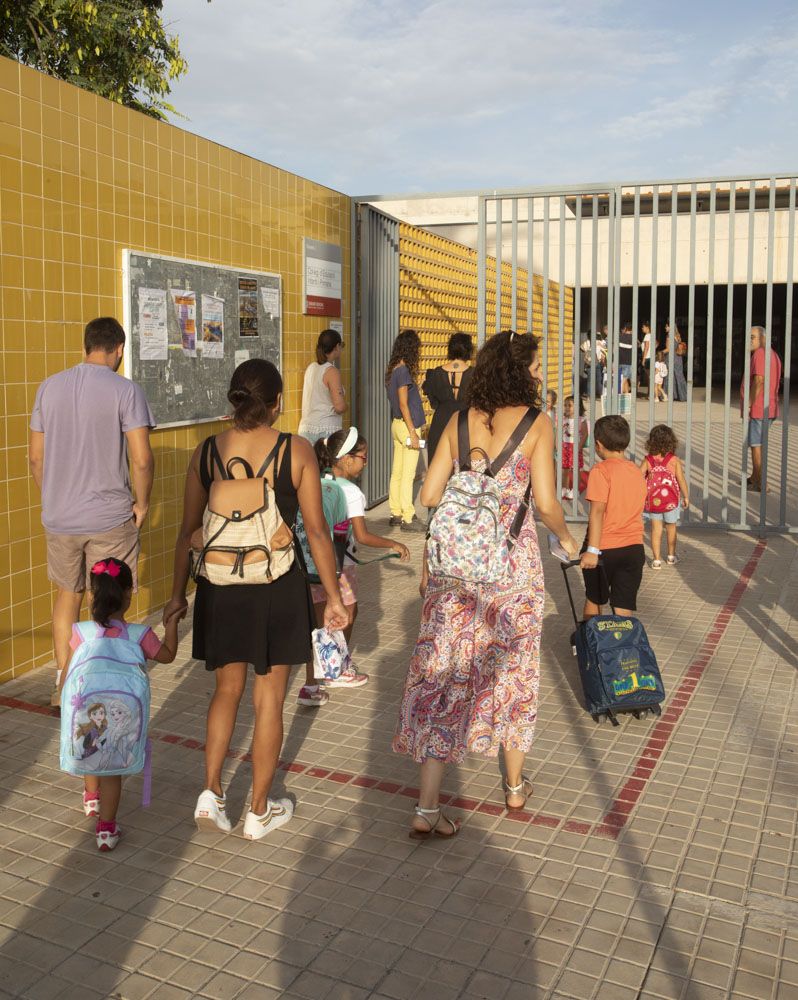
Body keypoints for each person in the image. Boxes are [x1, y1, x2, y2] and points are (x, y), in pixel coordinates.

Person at [393, 331, 578, 838]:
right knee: (513, 672)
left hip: (453, 572)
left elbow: (429, 493)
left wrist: (469, 494)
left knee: (442, 676)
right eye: (537, 366)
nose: (540, 374)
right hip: (512, 570)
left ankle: (427, 808)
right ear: (521, 370)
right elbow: (544, 504)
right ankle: (515, 788)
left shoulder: (458, 419)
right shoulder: (537, 424)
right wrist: (568, 539)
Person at [163, 359, 348, 840]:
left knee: (226, 692)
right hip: (276, 586)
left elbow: (187, 534)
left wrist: (176, 597)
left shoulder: (207, 452)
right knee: (269, 701)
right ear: (278, 403)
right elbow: (316, 532)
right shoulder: (296, 450)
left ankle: (211, 793)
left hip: (219, 587)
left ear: (234, 399)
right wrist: (332, 596)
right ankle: (260, 810)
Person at [28, 317, 155, 706]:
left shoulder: (49, 388)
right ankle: (101, 679)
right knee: (109, 600)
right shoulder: (125, 390)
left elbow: (35, 458)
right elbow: (142, 459)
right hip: (109, 518)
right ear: (118, 349)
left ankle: (64, 684)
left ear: (86, 346)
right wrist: (143, 502)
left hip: (60, 515)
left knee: (69, 594)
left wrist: (53, 497)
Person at [59, 557, 180, 851]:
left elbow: (67, 672)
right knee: (112, 771)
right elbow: (168, 656)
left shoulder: (81, 632)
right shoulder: (140, 635)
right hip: (120, 713)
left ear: (91, 596)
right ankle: (106, 829)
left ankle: (91, 799)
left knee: (90, 744)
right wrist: (173, 623)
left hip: (89, 710)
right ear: (129, 594)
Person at [297, 427, 410, 707]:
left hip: (311, 566)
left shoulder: (316, 482)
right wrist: (393, 545)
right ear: (346, 459)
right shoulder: (351, 492)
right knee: (346, 614)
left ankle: (311, 686)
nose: (365, 462)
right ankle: (338, 669)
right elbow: (362, 536)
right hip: (340, 567)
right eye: (363, 456)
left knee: (318, 623)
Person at [580, 415, 647, 619]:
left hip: (604, 549)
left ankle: (590, 645)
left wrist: (592, 550)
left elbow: (597, 512)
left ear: (598, 445)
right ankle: (622, 647)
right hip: (634, 548)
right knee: (623, 604)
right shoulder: (636, 471)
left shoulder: (600, 471)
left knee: (595, 599)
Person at [385, 329, 426, 531]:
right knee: (408, 474)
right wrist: (412, 431)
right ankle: (408, 517)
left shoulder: (393, 370)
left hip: (396, 425)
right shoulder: (403, 371)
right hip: (406, 426)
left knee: (397, 473)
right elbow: (403, 404)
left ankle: (396, 513)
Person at [640, 425, 689, 569]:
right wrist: (686, 497)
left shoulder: (648, 460)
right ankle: (671, 556)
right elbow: (681, 480)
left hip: (654, 502)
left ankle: (656, 560)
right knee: (671, 528)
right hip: (671, 501)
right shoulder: (673, 460)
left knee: (656, 530)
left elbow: (638, 475)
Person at [741, 326, 782, 493]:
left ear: (763, 339)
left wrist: (749, 403)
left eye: (753, 337)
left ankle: (762, 483)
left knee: (756, 444)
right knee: (756, 443)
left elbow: (759, 380)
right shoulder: (773, 354)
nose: (749, 340)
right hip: (769, 407)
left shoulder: (760, 354)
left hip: (759, 407)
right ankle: (754, 477)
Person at [421, 332, 474, 460]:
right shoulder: (476, 374)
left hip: (441, 422)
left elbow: (433, 400)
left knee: (438, 465)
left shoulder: (435, 374)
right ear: (468, 349)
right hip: (466, 423)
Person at [297, 329, 346, 444]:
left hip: (305, 429)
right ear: (336, 346)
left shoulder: (311, 368)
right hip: (326, 431)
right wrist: (346, 406)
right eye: (341, 345)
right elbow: (339, 407)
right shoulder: (331, 371)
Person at [561, 395, 589, 501]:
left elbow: (585, 434)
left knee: (575, 469)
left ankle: (575, 490)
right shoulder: (564, 419)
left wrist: (579, 447)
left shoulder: (581, 420)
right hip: (565, 446)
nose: (567, 407)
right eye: (565, 405)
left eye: (570, 405)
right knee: (565, 469)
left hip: (575, 446)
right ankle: (565, 488)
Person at [663, 322, 687, 401]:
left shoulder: (669, 336)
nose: (665, 327)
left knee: (669, 376)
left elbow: (668, 349)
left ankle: (670, 395)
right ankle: (683, 395)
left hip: (671, 358)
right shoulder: (677, 336)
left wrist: (659, 353)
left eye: (667, 326)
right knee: (679, 375)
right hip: (678, 358)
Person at [618, 323, 634, 394]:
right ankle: (619, 394)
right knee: (624, 380)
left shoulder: (620, 337)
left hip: (620, 361)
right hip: (628, 362)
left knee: (625, 380)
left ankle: (627, 395)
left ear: (625, 329)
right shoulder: (632, 338)